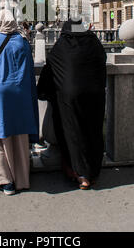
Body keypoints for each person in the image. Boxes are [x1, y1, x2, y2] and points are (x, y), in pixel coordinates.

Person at [37, 18, 106, 190]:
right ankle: (93, 172)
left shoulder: (62, 44)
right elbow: (102, 60)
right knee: (93, 132)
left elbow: (51, 66)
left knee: (73, 134)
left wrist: (43, 91)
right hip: (95, 94)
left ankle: (82, 176)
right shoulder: (94, 42)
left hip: (71, 97)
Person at [0, 9, 39, 195]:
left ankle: (5, 181)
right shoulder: (23, 42)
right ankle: (21, 179)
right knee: (19, 136)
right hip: (18, 92)